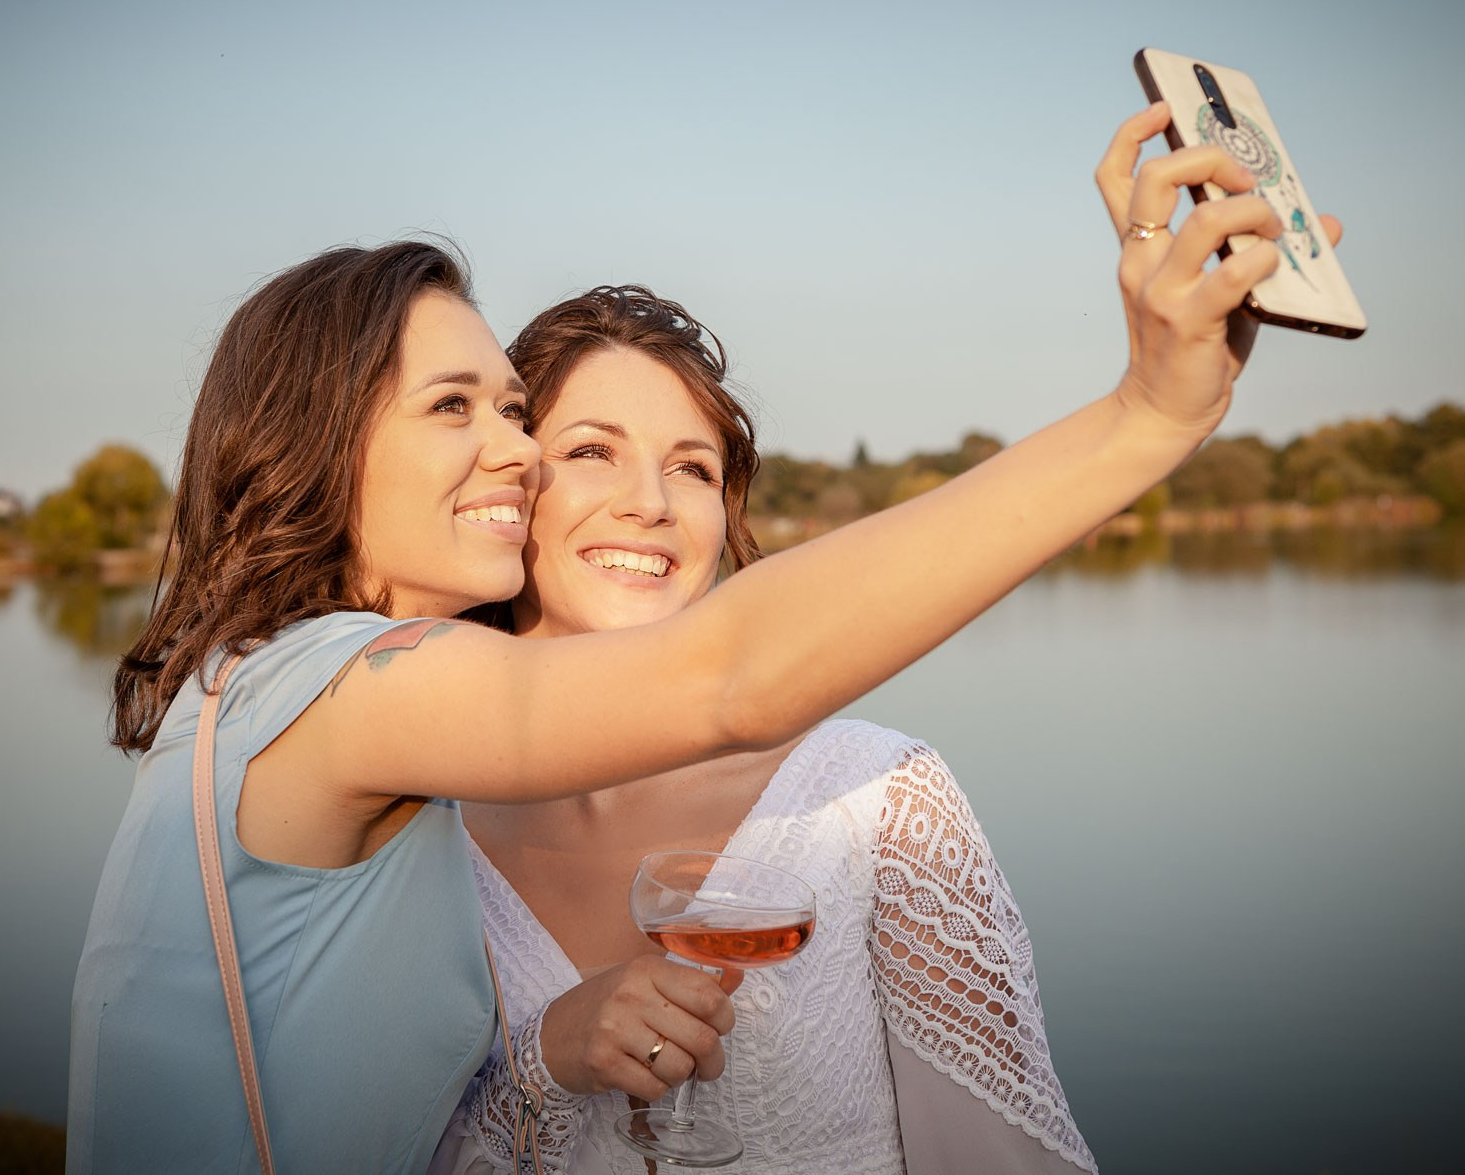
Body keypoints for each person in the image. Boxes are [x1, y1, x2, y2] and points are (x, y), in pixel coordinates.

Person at [67, 101, 1323, 1171]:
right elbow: (729, 674)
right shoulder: (345, 690)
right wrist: (1148, 415)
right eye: (455, 408)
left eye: (512, 410)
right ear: (313, 442)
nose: (514, 452)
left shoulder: (268, 706)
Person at [442, 283, 1098, 1173]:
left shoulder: (874, 800)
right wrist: (544, 1061)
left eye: (693, 469)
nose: (652, 502)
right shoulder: (413, 830)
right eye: (593, 450)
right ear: (508, 486)